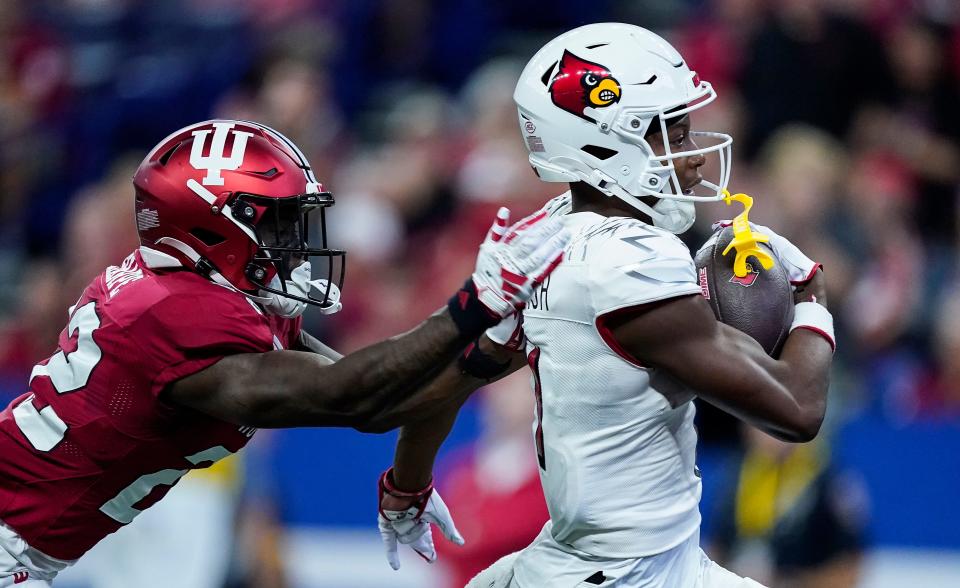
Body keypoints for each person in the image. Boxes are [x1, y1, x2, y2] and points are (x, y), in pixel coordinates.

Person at [0, 119, 570, 587]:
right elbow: (349, 394)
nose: (296, 239)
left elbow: (382, 393)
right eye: (277, 222)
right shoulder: (171, 312)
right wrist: (473, 305)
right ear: (209, 227)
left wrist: (509, 338)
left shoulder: (210, 291)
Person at [375, 24, 835, 587]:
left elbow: (452, 378)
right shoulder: (630, 263)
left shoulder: (543, 236)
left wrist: (406, 484)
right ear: (605, 144)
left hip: (617, 562)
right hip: (628, 575)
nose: (693, 157)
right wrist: (812, 300)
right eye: (672, 133)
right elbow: (797, 409)